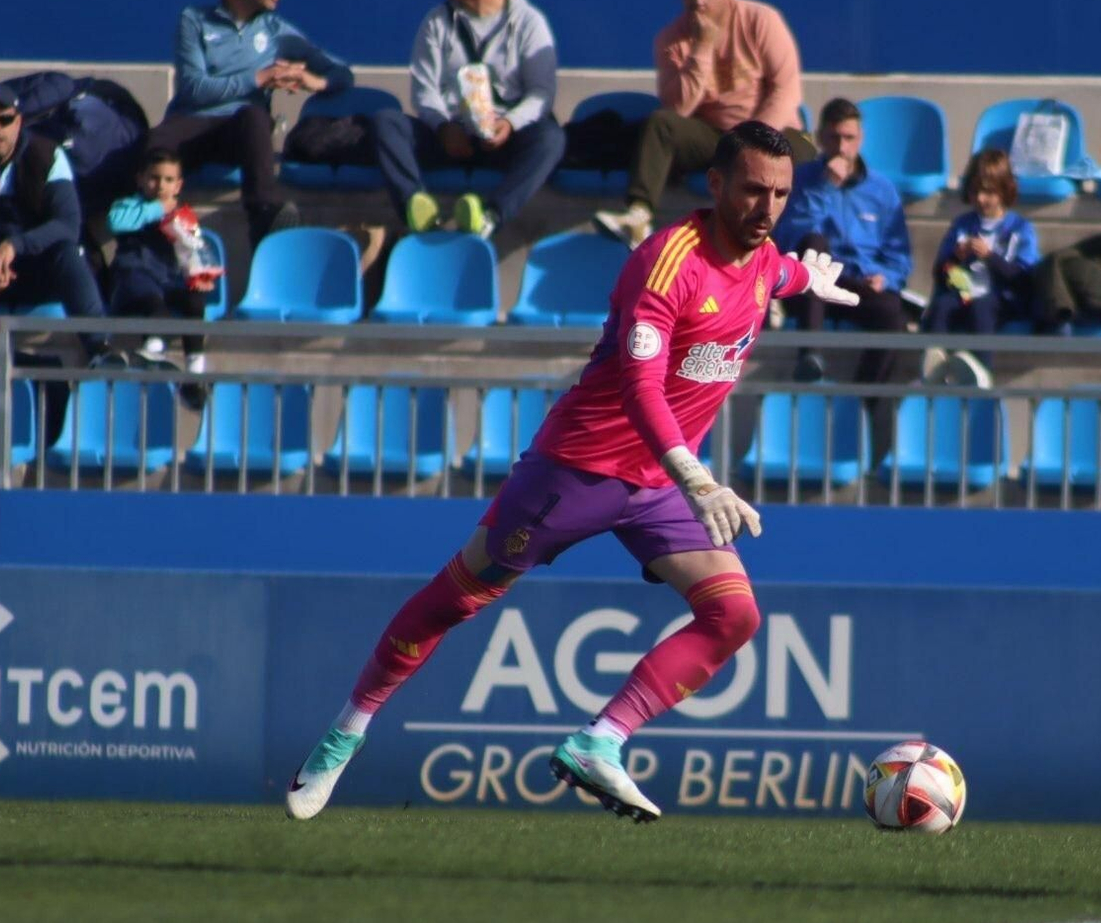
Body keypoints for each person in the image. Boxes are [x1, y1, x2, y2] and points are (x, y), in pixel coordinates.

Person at [285, 121, 859, 821]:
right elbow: (639, 388)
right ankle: (347, 729)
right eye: (751, 190)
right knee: (456, 597)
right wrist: (697, 478)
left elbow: (779, 269)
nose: (766, 207)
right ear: (714, 185)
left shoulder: (766, 258)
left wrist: (810, 278)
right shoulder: (666, 260)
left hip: (662, 483)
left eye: (779, 193)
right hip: (579, 469)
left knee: (733, 613)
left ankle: (601, 740)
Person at [593, 0, 813, 249]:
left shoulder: (761, 20)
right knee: (662, 123)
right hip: (716, 137)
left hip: (772, 132)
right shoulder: (670, 39)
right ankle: (638, 215)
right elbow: (679, 108)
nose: (698, 1)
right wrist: (702, 47)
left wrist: (754, 140)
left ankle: (788, 243)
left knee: (805, 154)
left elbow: (786, 91)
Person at [149, 0, 353, 245]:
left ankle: (267, 221)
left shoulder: (277, 31)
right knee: (151, 146)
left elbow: (342, 73)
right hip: (194, 124)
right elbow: (194, 88)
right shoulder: (195, 20)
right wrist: (258, 78)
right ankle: (138, 240)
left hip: (239, 132)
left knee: (255, 118)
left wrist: (315, 81)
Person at [373, 0, 564, 240]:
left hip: (504, 140)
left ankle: (489, 217)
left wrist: (508, 124)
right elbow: (424, 89)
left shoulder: (528, 23)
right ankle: (417, 209)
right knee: (387, 122)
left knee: (551, 138)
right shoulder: (436, 23)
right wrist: (443, 127)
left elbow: (541, 93)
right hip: (452, 136)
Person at [0, 83, 114, 368]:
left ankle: (101, 351)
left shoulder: (47, 156)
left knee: (69, 253)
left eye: (4, 120)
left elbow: (68, 224)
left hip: (34, 267)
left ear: (18, 121)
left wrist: (14, 246)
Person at [772, 98, 913, 387]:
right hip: (810, 286)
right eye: (835, 137)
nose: (842, 147)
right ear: (822, 137)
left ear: (860, 139)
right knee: (814, 241)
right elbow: (789, 238)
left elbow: (900, 256)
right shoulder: (803, 179)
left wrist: (885, 278)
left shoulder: (882, 190)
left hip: (856, 284)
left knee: (893, 316)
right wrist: (824, 187)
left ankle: (866, 399)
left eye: (849, 138)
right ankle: (810, 356)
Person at [106, 148, 217, 402]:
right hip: (133, 277)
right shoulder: (129, 205)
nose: (160, 186)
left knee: (194, 302)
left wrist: (200, 275)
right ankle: (151, 350)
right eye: (154, 178)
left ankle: (194, 373)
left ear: (178, 186)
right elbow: (116, 223)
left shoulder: (182, 216)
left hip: (169, 278)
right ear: (140, 179)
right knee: (155, 305)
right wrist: (156, 209)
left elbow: (193, 249)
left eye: (168, 180)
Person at [922, 148, 1040, 387]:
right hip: (964, 293)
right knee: (943, 306)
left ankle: (981, 370)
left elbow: (1023, 277)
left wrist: (990, 257)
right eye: (975, 191)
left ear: (1005, 191)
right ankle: (934, 366)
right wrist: (955, 258)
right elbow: (940, 272)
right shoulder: (962, 224)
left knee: (982, 308)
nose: (981, 199)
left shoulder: (1020, 228)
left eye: (988, 192)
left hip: (1002, 299)